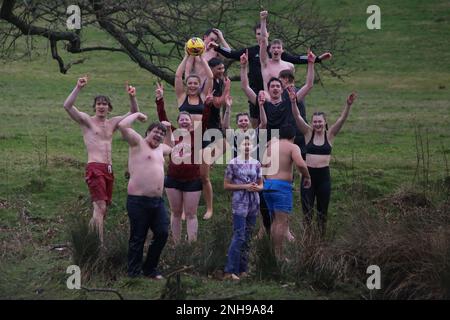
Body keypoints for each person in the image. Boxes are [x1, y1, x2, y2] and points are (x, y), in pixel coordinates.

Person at [211, 12, 331, 128]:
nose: (260, 36)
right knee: (258, 123)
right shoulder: (253, 52)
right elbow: (232, 53)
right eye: (257, 34)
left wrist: (317, 59)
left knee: (285, 119)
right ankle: (261, 141)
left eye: (261, 33)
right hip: (257, 92)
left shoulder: (277, 53)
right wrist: (218, 47)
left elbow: (298, 59)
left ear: (268, 34)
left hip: (279, 94)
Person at [63, 76, 139, 244]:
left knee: (101, 210)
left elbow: (133, 113)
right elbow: (67, 106)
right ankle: (99, 246)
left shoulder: (113, 123)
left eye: (104, 104)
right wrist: (78, 87)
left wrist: (132, 96)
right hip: (94, 167)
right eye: (99, 104)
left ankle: (88, 241)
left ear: (109, 107)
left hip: (109, 169)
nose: (101, 107)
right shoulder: (87, 122)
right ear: (95, 107)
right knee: (100, 207)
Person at [290, 90, 357, 236]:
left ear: (325, 122)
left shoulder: (330, 135)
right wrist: (294, 102)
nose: (317, 124)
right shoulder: (308, 133)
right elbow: (297, 116)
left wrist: (348, 105)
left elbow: (341, 119)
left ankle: (320, 243)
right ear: (312, 123)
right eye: (315, 122)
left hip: (324, 178)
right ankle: (307, 243)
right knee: (307, 213)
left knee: (322, 214)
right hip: (308, 178)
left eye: (320, 121)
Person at [117, 112, 172, 279]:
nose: (159, 135)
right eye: (156, 131)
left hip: (157, 202)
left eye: (161, 134)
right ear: (147, 132)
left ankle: (150, 269)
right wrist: (137, 114)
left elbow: (171, 148)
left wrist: (168, 131)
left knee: (162, 233)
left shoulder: (161, 149)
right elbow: (122, 126)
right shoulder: (138, 143)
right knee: (138, 237)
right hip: (138, 201)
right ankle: (133, 273)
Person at [155, 82, 209, 243]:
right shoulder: (173, 133)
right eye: (182, 119)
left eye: (187, 119)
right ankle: (176, 244)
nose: (185, 122)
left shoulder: (197, 135)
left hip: (193, 180)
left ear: (191, 122)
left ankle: (191, 244)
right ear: (178, 122)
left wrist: (207, 104)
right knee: (176, 213)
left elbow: (206, 119)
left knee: (191, 214)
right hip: (173, 180)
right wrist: (159, 99)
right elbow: (163, 119)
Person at [261, 125, 311, 259]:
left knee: (275, 221)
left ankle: (273, 254)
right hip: (281, 188)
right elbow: (301, 164)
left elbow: (263, 167)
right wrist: (307, 176)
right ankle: (279, 256)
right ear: (293, 137)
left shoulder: (271, 146)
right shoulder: (292, 147)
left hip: (268, 186)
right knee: (281, 223)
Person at [175, 52, 215, 220]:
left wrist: (201, 58)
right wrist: (186, 56)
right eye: (189, 83)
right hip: (185, 140)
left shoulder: (203, 96)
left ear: (200, 85)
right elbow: (178, 75)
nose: (192, 86)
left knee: (204, 176)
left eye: (195, 83)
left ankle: (209, 208)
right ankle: (185, 210)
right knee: (185, 176)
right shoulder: (181, 97)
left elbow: (211, 77)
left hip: (202, 139)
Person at [223, 137, 263, 280]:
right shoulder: (233, 163)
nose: (246, 146)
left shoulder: (257, 164)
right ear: (239, 147)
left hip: (253, 203)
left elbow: (261, 184)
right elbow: (226, 185)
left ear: (252, 147)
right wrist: (245, 186)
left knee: (248, 237)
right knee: (239, 235)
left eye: (249, 144)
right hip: (239, 203)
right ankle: (229, 270)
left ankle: (243, 270)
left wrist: (256, 188)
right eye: (243, 144)